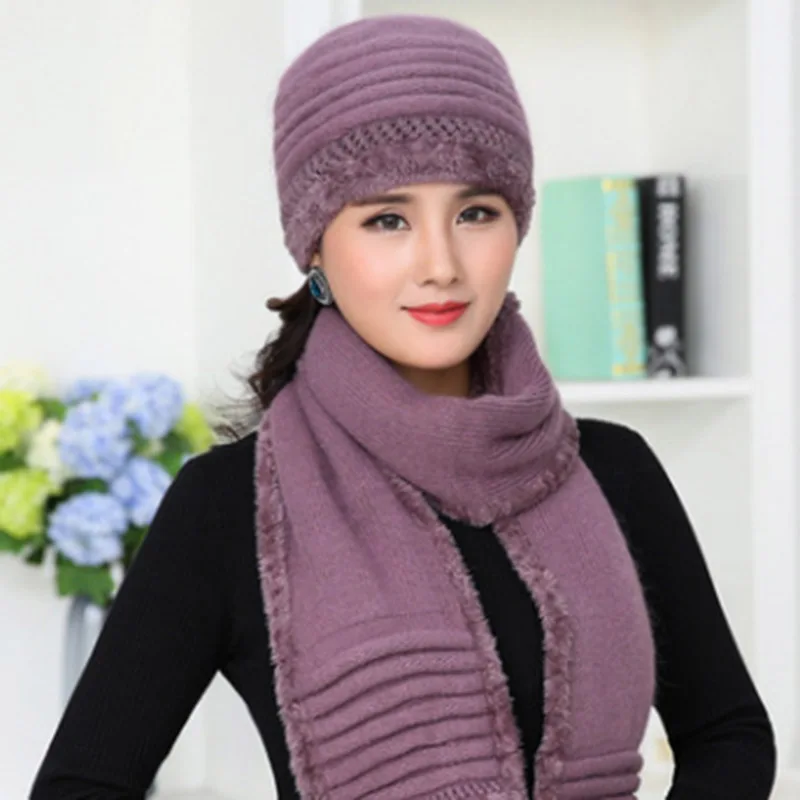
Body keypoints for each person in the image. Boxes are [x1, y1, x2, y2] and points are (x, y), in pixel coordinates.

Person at [30, 13, 775, 800]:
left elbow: (728, 734)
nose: (441, 264)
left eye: (476, 213)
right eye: (388, 219)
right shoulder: (229, 507)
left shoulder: (612, 469)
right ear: (315, 248)